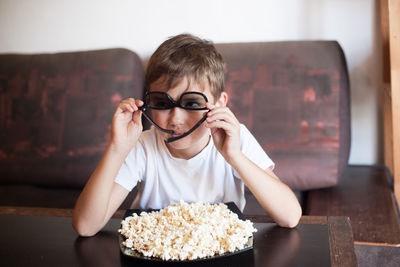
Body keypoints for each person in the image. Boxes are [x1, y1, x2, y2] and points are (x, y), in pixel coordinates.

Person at [72, 34, 302, 237]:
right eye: (162, 103)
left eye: (192, 103)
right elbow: (85, 226)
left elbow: (290, 216)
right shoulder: (143, 145)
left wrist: (235, 157)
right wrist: (117, 148)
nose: (175, 119)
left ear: (219, 104)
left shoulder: (236, 138)